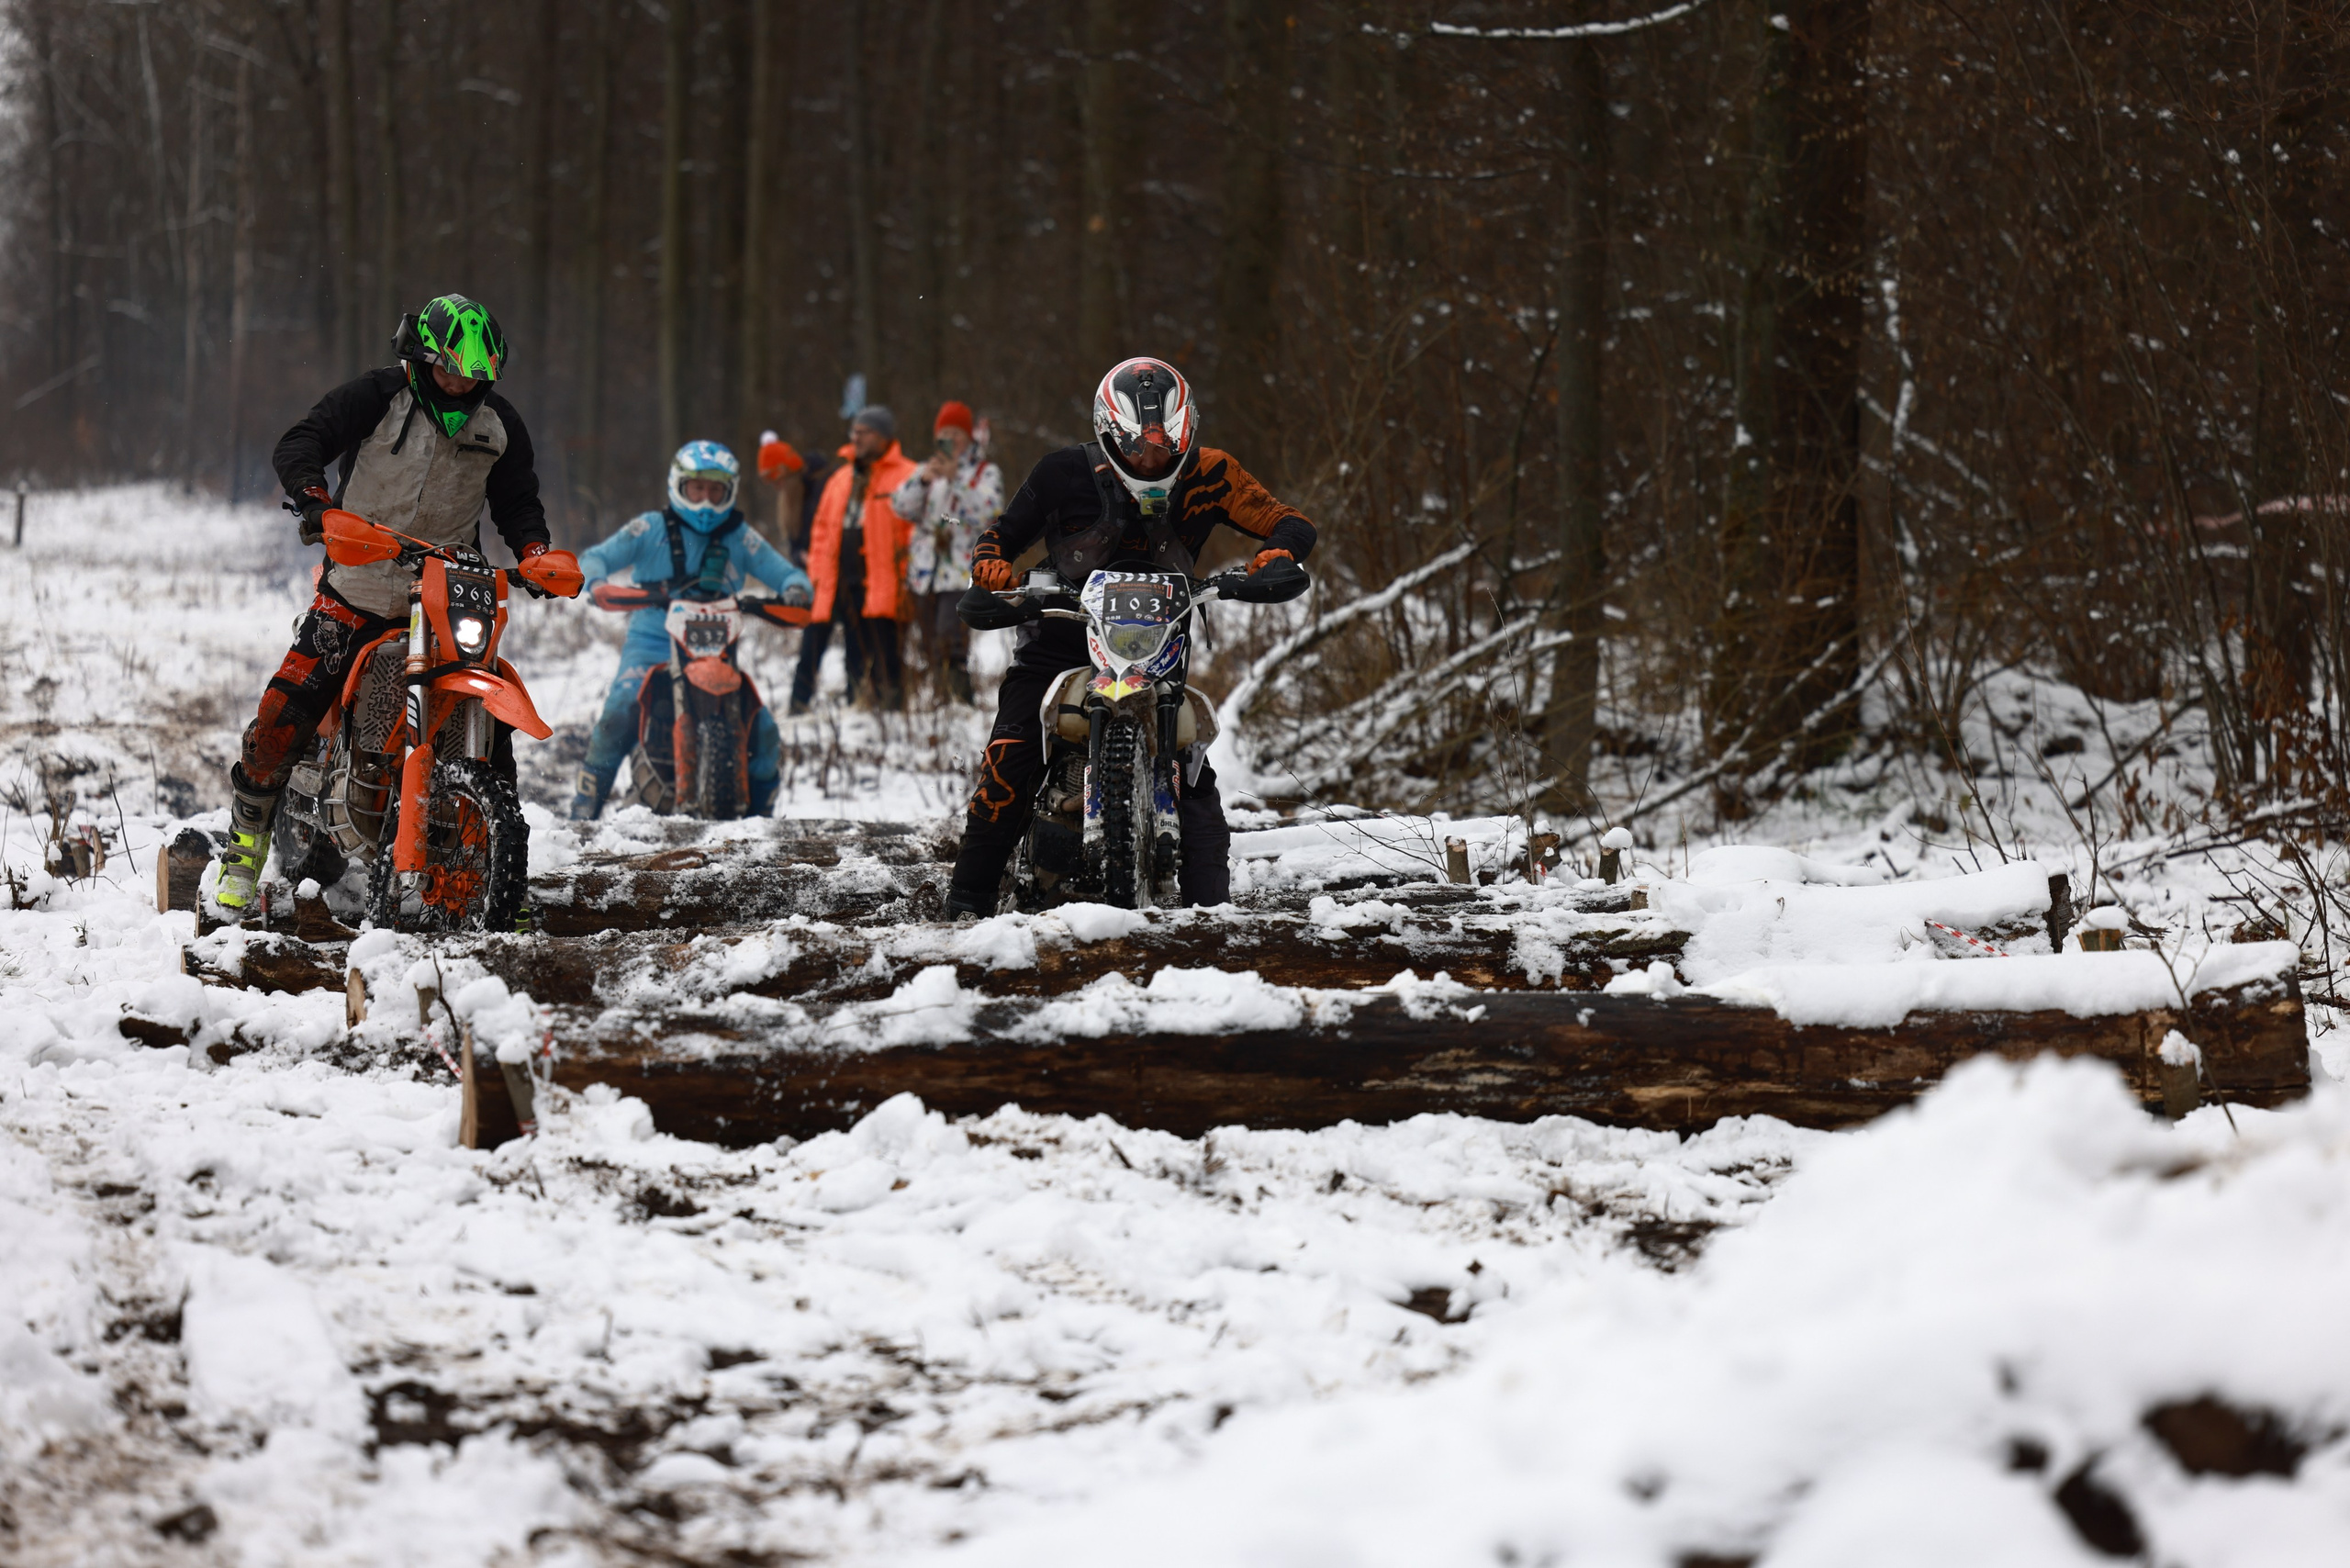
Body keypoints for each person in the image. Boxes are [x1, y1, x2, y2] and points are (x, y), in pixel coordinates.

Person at [214, 293, 578, 915]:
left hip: (444, 594)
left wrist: (536, 550)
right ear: (421, 355)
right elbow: (303, 441)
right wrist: (316, 504)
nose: (463, 383)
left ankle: (494, 868)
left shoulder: (499, 425)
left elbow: (518, 502)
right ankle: (245, 844)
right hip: (357, 587)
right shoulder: (378, 396)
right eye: (452, 370)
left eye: (476, 375)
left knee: (490, 731)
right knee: (286, 708)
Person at [942, 357, 1313, 917]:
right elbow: (1001, 534)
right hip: (1060, 642)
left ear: (1186, 431)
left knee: (1194, 781)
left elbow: (1290, 520)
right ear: (1110, 433)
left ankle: (1211, 919)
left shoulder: (1212, 472)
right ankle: (964, 907)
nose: (1153, 457)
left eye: (1166, 445)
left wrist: (1278, 551)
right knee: (1009, 761)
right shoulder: (1061, 473)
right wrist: (991, 564)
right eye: (1139, 447)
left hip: (1156, 652)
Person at [569, 441, 813, 820]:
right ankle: (583, 810)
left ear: (729, 491)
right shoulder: (650, 527)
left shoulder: (740, 536)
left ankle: (763, 821)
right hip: (652, 638)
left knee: (763, 727)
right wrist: (598, 582)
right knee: (620, 709)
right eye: (696, 489)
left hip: (716, 650)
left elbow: (788, 573)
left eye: (715, 490)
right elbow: (595, 556)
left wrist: (797, 590)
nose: (705, 500)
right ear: (678, 486)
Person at [787, 406, 919, 714]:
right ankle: (798, 704)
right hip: (834, 578)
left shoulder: (907, 476)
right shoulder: (840, 478)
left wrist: (904, 575)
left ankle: (881, 709)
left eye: (865, 432)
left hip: (880, 579)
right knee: (812, 644)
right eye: (854, 431)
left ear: (884, 437)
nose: (856, 438)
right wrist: (817, 571)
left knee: (874, 649)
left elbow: (912, 533)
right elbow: (820, 529)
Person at [891, 399, 1004, 705]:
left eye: (956, 432)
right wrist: (923, 480)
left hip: (960, 567)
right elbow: (900, 506)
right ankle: (941, 698)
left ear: (968, 435)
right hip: (925, 569)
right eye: (944, 432)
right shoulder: (927, 470)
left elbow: (989, 511)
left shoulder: (984, 472)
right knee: (928, 640)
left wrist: (956, 480)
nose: (950, 439)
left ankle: (960, 698)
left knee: (949, 636)